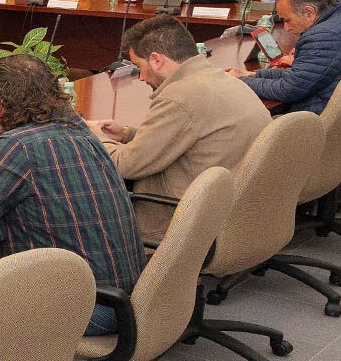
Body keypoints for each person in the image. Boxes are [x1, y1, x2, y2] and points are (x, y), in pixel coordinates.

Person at [0, 54, 144, 335]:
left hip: (88, 307)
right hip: (128, 295)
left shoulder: (18, 146)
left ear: (1, 106)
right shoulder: (79, 130)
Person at [89, 16, 269, 235]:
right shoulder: (224, 79)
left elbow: (127, 165)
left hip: (187, 223)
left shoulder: (179, 97)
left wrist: (95, 138)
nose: (141, 77)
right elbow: (190, 136)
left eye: (139, 67)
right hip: (237, 211)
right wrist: (126, 134)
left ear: (156, 60)